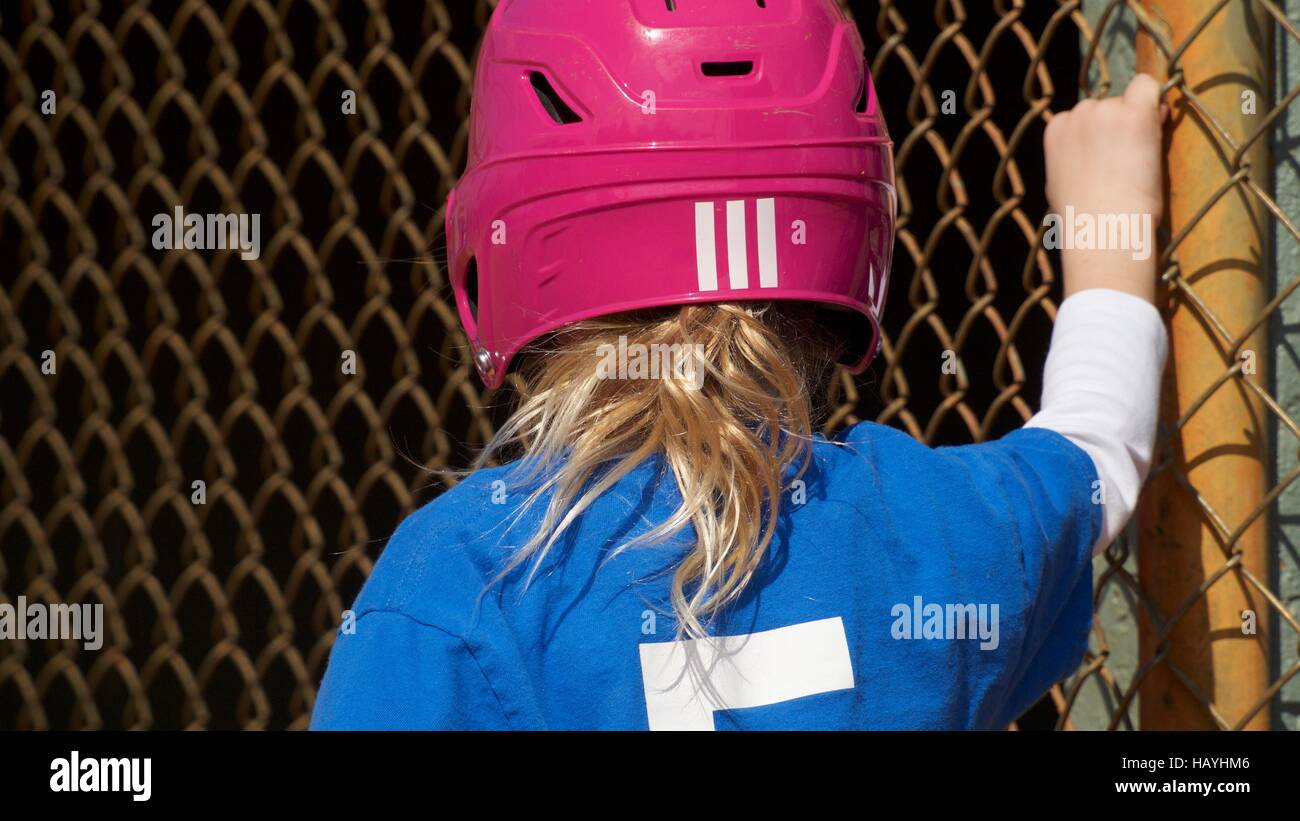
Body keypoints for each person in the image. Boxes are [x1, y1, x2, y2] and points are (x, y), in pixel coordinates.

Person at [311, 0, 1167, 730]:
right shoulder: (924, 533)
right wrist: (1109, 218)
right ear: (853, 232)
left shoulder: (462, 583)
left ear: (502, 246)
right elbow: (1097, 447)